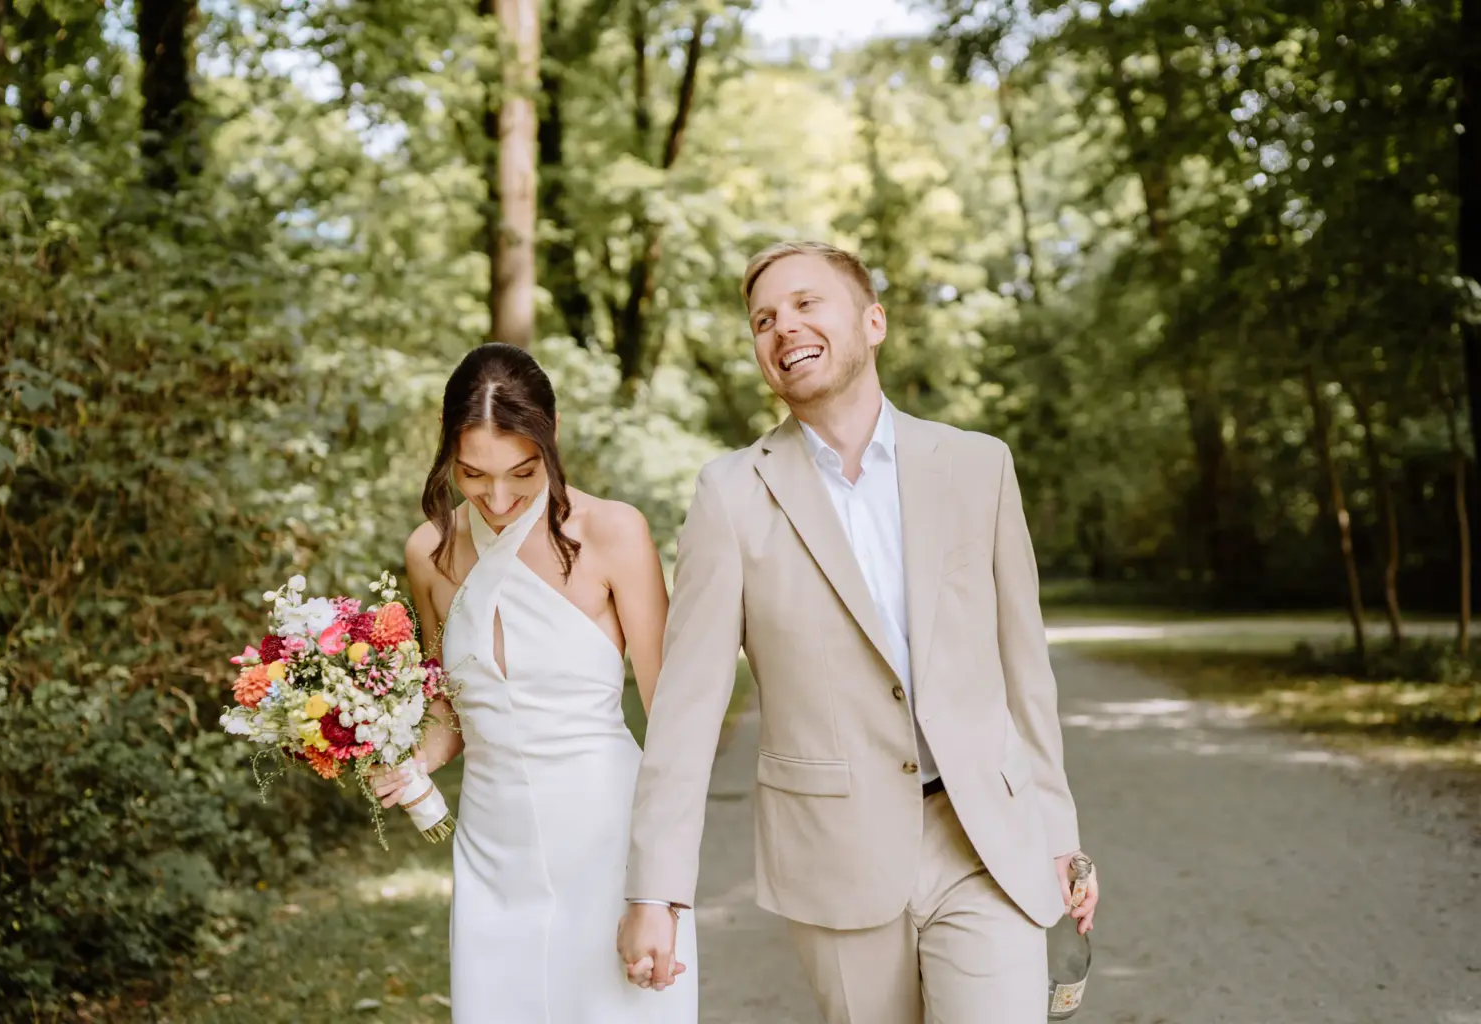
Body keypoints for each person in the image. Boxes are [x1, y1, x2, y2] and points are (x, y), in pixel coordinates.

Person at [616, 241, 1098, 1022]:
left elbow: (1025, 669)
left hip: (985, 839)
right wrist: (655, 891)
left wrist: (1059, 835)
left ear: (874, 323)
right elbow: (687, 707)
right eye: (764, 319)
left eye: (807, 304)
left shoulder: (978, 466)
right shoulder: (730, 495)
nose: (783, 327)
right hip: (834, 855)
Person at [372, 342, 697, 1024]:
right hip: (492, 851)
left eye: (521, 472)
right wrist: (409, 761)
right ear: (447, 451)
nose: (496, 499)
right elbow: (449, 709)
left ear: (551, 439)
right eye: (472, 474)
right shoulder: (428, 552)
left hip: (608, 841)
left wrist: (659, 892)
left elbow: (675, 724)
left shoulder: (612, 532)